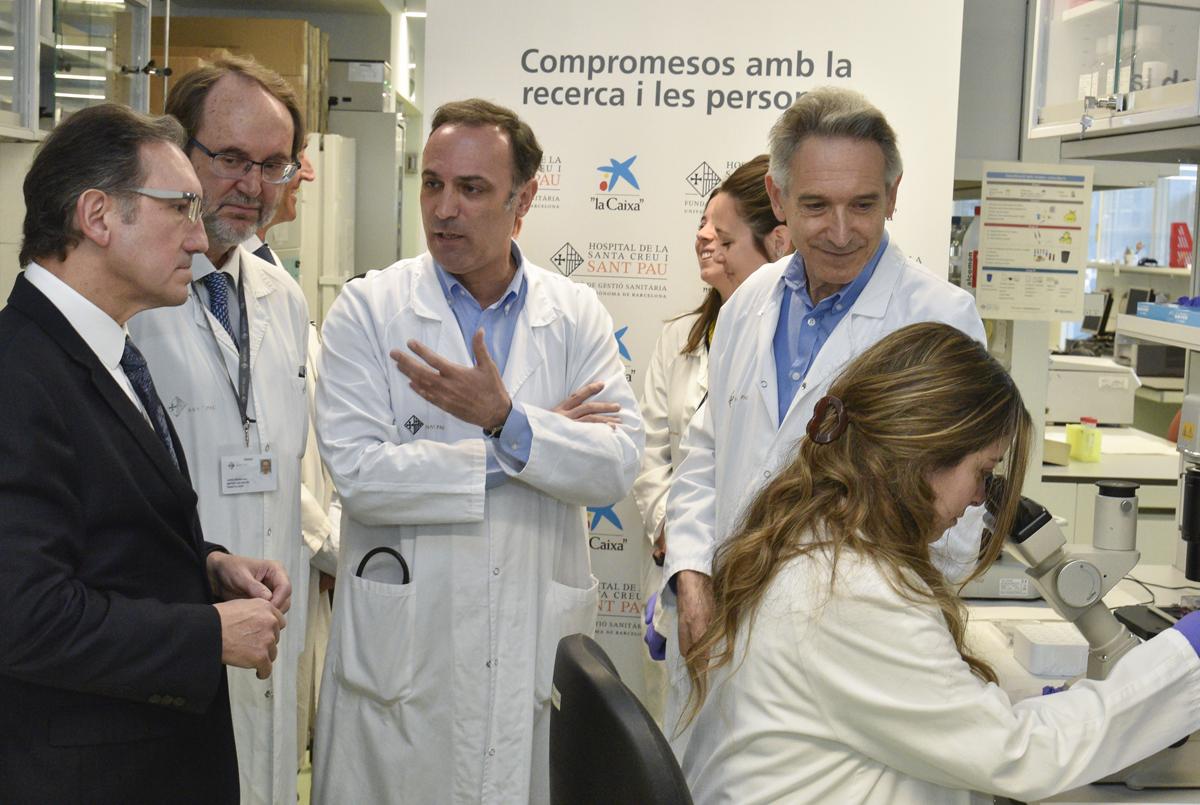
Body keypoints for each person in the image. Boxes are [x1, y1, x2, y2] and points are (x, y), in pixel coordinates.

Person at [680, 322, 1200, 803]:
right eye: (983, 470)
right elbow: (1020, 756)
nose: (980, 498)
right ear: (926, 454)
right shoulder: (849, 589)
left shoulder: (814, 534)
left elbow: (963, 727)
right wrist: (1185, 657)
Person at [312, 98, 644, 804]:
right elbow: (360, 475)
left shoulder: (574, 313)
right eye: (433, 183)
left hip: (527, 637)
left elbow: (615, 462)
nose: (445, 208)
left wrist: (504, 418)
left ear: (522, 202)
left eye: (472, 189)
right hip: (404, 657)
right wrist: (519, 442)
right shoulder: (369, 310)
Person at [662, 88, 987, 740]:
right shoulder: (752, 297)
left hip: (846, 669)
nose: (841, 230)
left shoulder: (940, 320)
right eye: (815, 205)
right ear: (778, 199)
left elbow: (955, 526)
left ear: (893, 195)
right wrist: (691, 576)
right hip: (720, 644)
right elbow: (705, 452)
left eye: (863, 204)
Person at [0, 103, 291, 804]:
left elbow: (95, 534)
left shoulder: (104, 353)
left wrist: (207, 564)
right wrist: (207, 633)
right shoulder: (19, 376)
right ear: (99, 217)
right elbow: (23, 615)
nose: (200, 236)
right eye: (181, 208)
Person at [127, 53, 311, 805]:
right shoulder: (131, 297)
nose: (253, 186)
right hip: (170, 631)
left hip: (268, 613)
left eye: (274, 165)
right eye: (230, 158)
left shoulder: (284, 297)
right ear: (180, 155)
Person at [632, 155, 788, 719]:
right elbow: (652, 453)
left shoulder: (792, 346)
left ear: (776, 243)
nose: (704, 240)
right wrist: (671, 531)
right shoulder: (679, 339)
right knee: (676, 733)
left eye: (723, 236)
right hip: (678, 570)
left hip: (767, 582)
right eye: (703, 226)